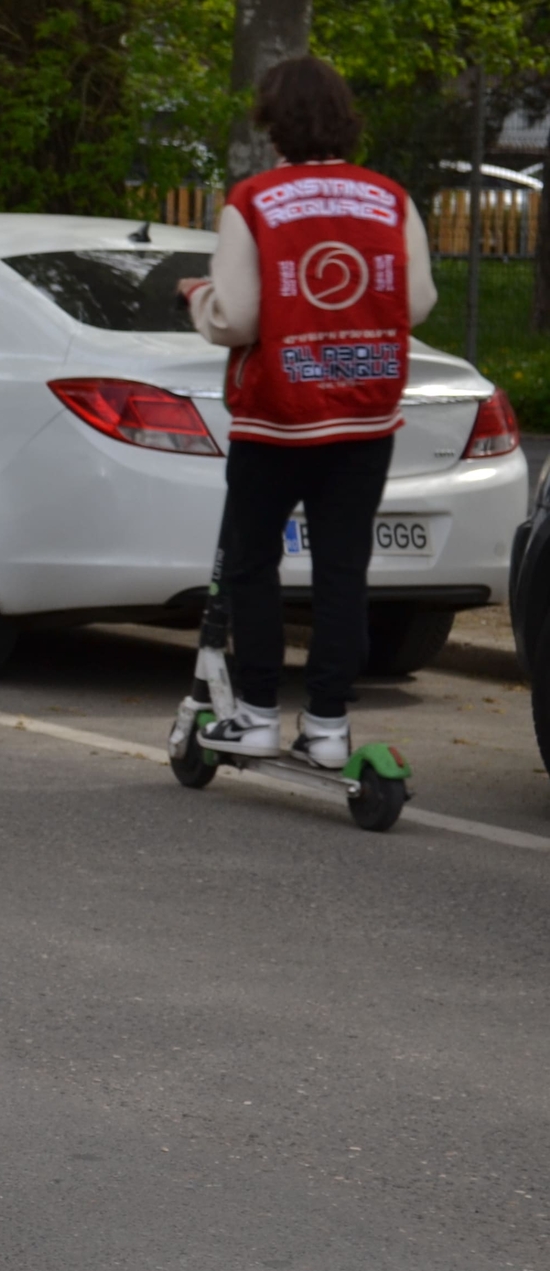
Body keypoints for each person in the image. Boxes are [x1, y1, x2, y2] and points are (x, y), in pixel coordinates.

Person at [186, 56, 436, 769]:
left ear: (274, 125)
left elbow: (237, 317)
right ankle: (327, 724)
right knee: (342, 570)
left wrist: (197, 299)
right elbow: (414, 305)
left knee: (254, 564)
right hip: (364, 419)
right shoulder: (389, 199)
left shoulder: (256, 202)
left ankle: (258, 713)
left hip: (278, 416)